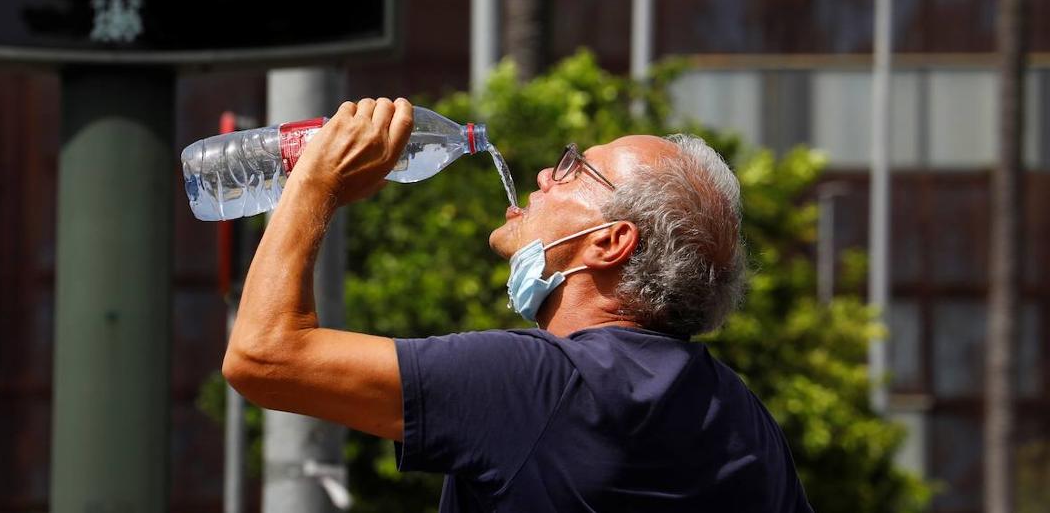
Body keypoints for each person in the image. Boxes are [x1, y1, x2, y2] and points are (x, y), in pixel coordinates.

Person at [223, 97, 814, 512]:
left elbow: (264, 356)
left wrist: (315, 183)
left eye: (575, 169)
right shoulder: (743, 418)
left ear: (610, 242)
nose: (544, 174)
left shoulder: (538, 384)